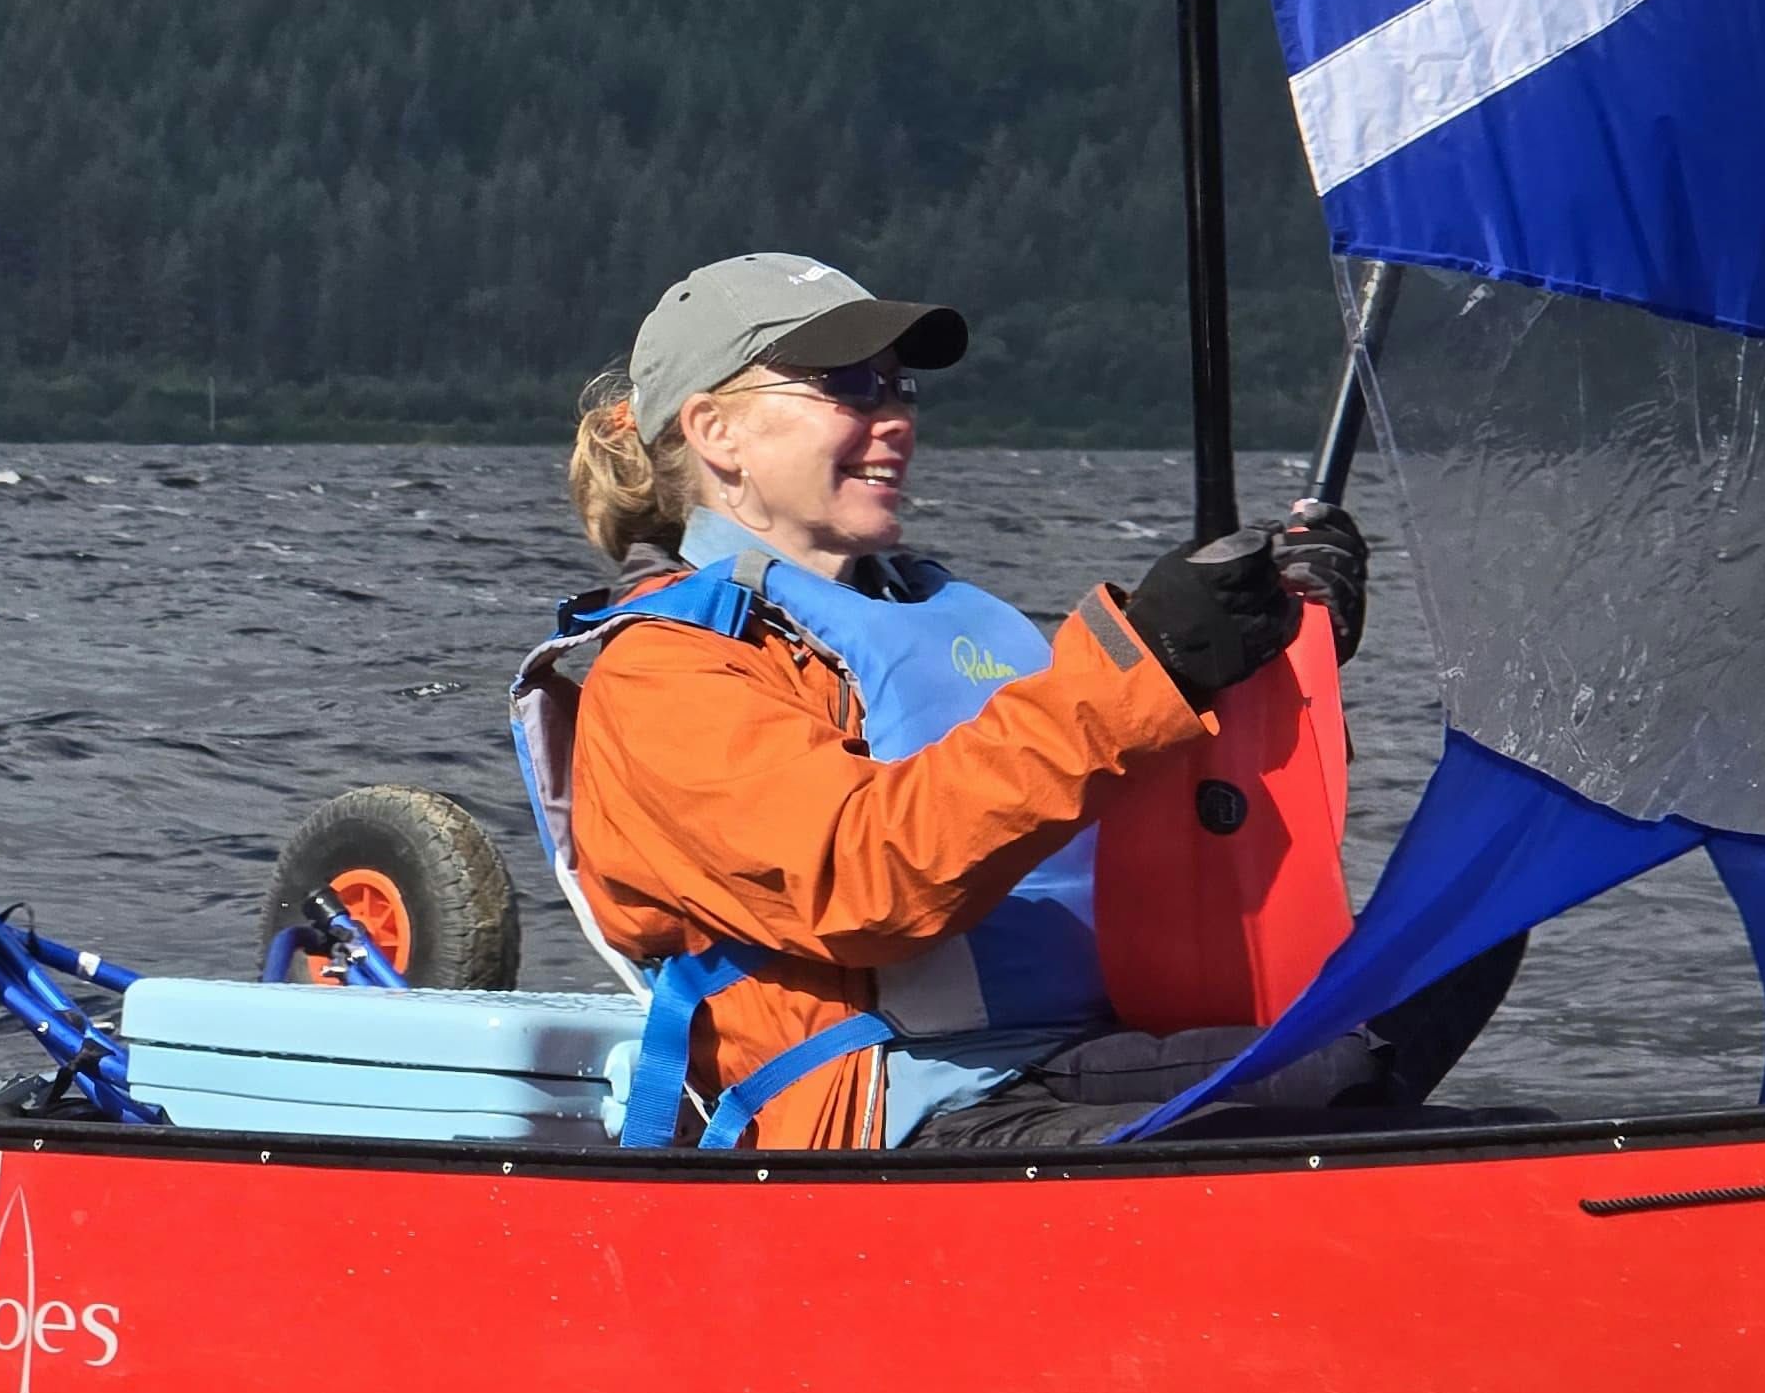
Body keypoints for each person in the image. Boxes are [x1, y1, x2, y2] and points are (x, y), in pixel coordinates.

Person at [523, 252, 1503, 1152]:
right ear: (715, 431)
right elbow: (865, 878)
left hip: (1057, 1056)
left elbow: (1121, 807)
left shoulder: (930, 613)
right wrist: (1147, 663)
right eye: (848, 387)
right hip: (891, 1114)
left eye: (899, 385)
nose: (894, 414)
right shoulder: (663, 674)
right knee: (1347, 1109)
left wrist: (1265, 659)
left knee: (1474, 933)